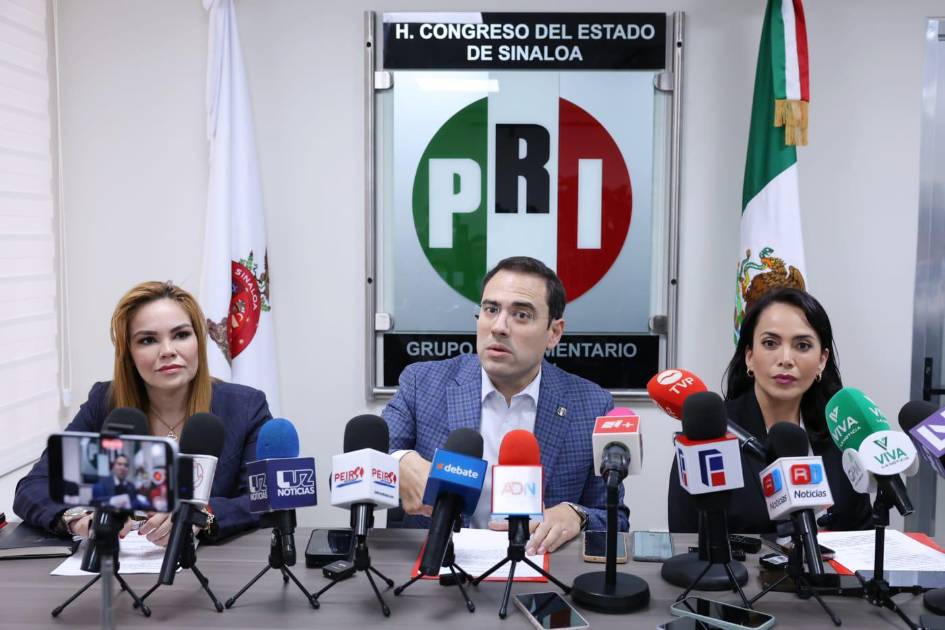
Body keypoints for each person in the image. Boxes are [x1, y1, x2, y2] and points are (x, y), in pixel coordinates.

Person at [383, 256, 628, 555]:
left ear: (554, 333)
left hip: (538, 567)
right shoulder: (422, 384)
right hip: (439, 567)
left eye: (521, 315)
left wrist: (578, 514)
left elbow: (616, 519)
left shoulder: (591, 405)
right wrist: (400, 461)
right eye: (491, 310)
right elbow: (354, 473)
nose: (499, 327)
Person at [14, 281, 272, 544]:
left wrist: (200, 515)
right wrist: (80, 519)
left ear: (198, 341)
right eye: (148, 340)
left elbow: (264, 497)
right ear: (129, 353)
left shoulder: (245, 406)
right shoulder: (104, 403)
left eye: (181, 335)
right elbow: (34, 486)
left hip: (211, 562)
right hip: (117, 561)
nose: (168, 351)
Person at [667, 287, 872, 533]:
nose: (785, 359)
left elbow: (864, 534)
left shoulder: (841, 434)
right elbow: (685, 536)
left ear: (822, 360)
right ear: (749, 356)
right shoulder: (710, 434)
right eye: (770, 343)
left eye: (802, 345)